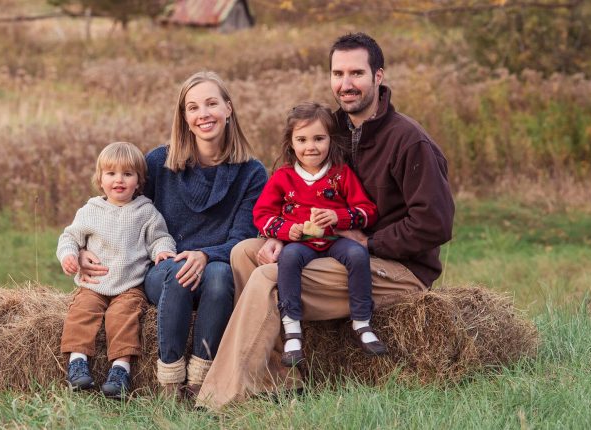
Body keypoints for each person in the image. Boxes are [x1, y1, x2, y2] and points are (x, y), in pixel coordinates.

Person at [197, 32, 455, 409]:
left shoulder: (408, 141)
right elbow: (292, 184)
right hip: (331, 248)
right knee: (244, 254)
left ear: (378, 76)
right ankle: (278, 379)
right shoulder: (331, 129)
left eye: (356, 73)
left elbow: (435, 224)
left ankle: (223, 398)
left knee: (269, 279)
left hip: (395, 269)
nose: (345, 84)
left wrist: (370, 242)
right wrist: (283, 234)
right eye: (337, 74)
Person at [78, 71, 268, 399]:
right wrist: (82, 248)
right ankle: (169, 379)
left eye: (211, 104)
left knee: (221, 274)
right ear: (184, 117)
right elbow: (121, 213)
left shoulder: (251, 172)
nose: (203, 114)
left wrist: (207, 254)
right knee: (178, 273)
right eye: (193, 107)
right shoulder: (159, 162)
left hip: (216, 270)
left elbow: (243, 237)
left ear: (228, 109)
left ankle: (199, 380)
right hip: (163, 268)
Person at [253, 101, 384, 367]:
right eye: (301, 139)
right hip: (301, 242)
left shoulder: (340, 174)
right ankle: (292, 329)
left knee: (358, 254)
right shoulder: (282, 178)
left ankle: (362, 322)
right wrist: (287, 230)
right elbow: (261, 215)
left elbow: (368, 210)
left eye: (318, 138)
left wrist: (340, 217)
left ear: (330, 140)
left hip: (336, 240)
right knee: (289, 259)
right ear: (291, 143)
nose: (310, 146)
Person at [57, 141, 176, 399]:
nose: (118, 180)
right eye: (111, 173)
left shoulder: (146, 212)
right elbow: (70, 237)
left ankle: (120, 370)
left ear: (139, 180)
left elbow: (159, 238)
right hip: (93, 284)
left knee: (122, 318)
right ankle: (77, 363)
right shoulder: (90, 210)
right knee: (82, 312)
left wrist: (163, 252)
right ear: (100, 179)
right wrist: (69, 255)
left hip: (130, 286)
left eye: (127, 174)